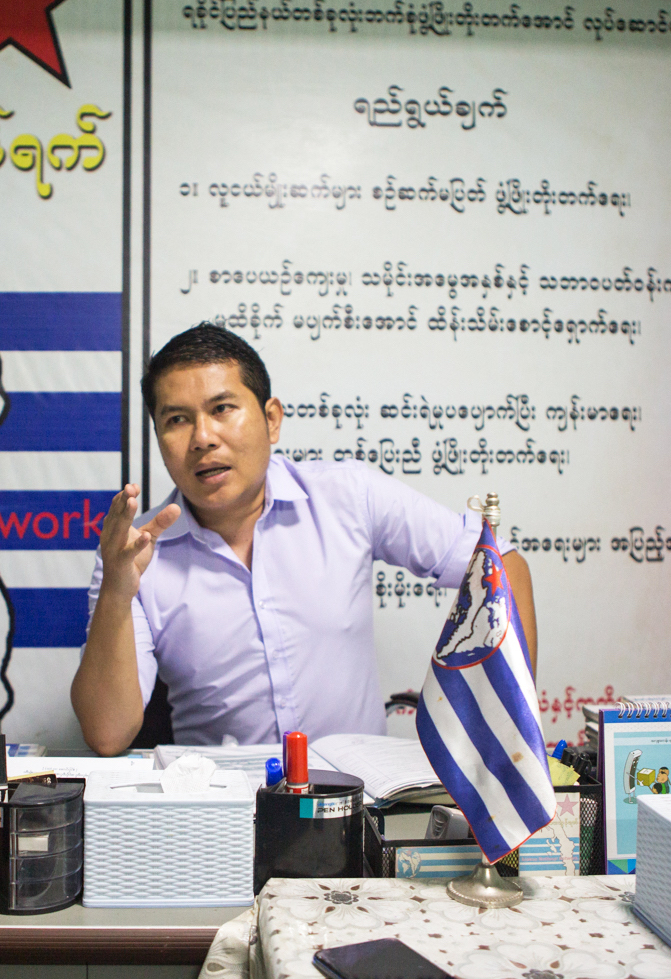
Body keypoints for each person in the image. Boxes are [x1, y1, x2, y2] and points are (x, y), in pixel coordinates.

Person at [71, 323, 535, 755]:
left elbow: (501, 563)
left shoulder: (347, 495)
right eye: (176, 420)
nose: (203, 438)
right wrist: (116, 587)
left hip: (359, 805)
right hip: (226, 815)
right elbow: (108, 735)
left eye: (222, 409)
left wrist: (506, 729)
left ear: (272, 419)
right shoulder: (133, 557)